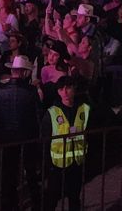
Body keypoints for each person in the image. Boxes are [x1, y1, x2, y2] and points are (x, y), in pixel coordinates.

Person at [0, 56, 43, 208]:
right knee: (31, 174)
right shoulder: (31, 91)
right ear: (25, 73)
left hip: (7, 138)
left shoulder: (0, 91)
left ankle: (10, 205)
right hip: (27, 138)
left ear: (12, 70)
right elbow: (38, 115)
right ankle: (37, 204)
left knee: (9, 175)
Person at [42, 77, 90, 211]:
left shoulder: (84, 109)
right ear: (58, 91)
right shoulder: (52, 112)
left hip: (77, 162)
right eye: (61, 89)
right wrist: (47, 164)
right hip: (57, 165)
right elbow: (45, 140)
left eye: (68, 88)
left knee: (74, 198)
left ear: (74, 88)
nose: (65, 92)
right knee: (52, 199)